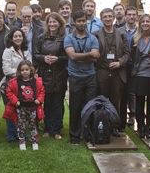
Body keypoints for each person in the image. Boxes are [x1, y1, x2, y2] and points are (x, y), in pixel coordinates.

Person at [64, 10, 100, 144]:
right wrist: (88, 55)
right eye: (79, 21)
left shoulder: (93, 38)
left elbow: (96, 55)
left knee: (90, 106)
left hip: (90, 77)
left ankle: (88, 134)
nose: (81, 23)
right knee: (75, 106)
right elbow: (72, 56)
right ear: (74, 22)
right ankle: (74, 135)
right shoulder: (69, 38)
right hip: (75, 77)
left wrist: (81, 57)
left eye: (84, 20)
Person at [94, 8, 130, 135]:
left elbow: (127, 53)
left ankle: (115, 126)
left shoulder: (121, 34)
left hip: (117, 72)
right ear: (101, 18)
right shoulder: (96, 34)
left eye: (110, 16)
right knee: (102, 99)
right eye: (105, 17)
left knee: (116, 101)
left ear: (114, 17)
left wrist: (120, 62)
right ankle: (102, 124)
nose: (108, 19)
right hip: (102, 71)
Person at [32, 12, 68, 140]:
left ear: (59, 23)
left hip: (59, 74)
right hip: (45, 73)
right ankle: (47, 128)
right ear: (47, 24)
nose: (52, 24)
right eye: (50, 22)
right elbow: (35, 54)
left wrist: (57, 59)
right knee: (47, 102)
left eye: (55, 22)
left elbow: (68, 56)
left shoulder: (65, 38)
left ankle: (57, 129)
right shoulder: (41, 37)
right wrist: (44, 58)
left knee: (58, 103)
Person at [4, 60, 45, 151]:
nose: (25, 71)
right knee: (21, 125)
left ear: (31, 70)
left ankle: (34, 141)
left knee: (33, 125)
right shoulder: (15, 81)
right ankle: (22, 141)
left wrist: (39, 99)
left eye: (27, 69)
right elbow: (9, 91)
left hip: (32, 107)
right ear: (19, 71)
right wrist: (15, 101)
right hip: (21, 108)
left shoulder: (36, 81)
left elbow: (42, 91)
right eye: (22, 70)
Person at [130, 14, 150, 140]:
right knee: (140, 102)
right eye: (143, 22)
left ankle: (148, 126)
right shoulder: (135, 39)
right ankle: (140, 126)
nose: (145, 23)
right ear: (139, 24)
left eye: (148, 22)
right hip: (139, 73)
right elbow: (131, 57)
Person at [1, 28, 32, 142]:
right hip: (12, 84)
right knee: (11, 109)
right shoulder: (8, 51)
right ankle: (11, 135)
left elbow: (30, 67)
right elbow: (6, 70)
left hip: (25, 85)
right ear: (11, 38)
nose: (18, 38)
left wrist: (25, 72)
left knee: (24, 110)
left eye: (20, 36)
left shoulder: (26, 51)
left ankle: (23, 134)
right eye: (15, 36)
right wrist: (22, 72)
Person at [118, 6, 139, 129]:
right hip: (122, 65)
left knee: (132, 91)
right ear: (125, 16)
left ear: (136, 16)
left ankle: (132, 114)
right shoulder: (119, 31)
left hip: (135, 64)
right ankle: (121, 117)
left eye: (133, 14)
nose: (131, 17)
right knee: (122, 91)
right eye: (129, 14)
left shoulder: (140, 31)